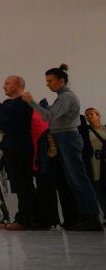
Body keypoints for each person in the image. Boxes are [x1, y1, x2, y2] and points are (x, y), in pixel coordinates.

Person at [23, 65, 103, 231]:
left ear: (61, 80)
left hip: (68, 138)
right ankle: (84, 217)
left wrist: (31, 102)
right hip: (63, 138)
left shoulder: (67, 97)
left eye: (50, 81)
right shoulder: (62, 97)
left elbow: (48, 116)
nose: (48, 84)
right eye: (47, 81)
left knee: (79, 179)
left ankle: (92, 218)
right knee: (73, 180)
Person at [0, 76, 36, 229]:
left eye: (7, 84)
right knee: (18, 184)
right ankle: (24, 218)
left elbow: (11, 114)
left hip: (21, 147)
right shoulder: (7, 104)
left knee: (24, 184)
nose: (3, 86)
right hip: (10, 148)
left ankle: (25, 220)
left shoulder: (24, 101)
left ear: (18, 85)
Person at [80, 108, 105, 221]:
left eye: (91, 114)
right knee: (99, 192)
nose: (89, 117)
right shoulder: (85, 132)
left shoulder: (105, 129)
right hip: (94, 164)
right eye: (87, 115)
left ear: (98, 115)